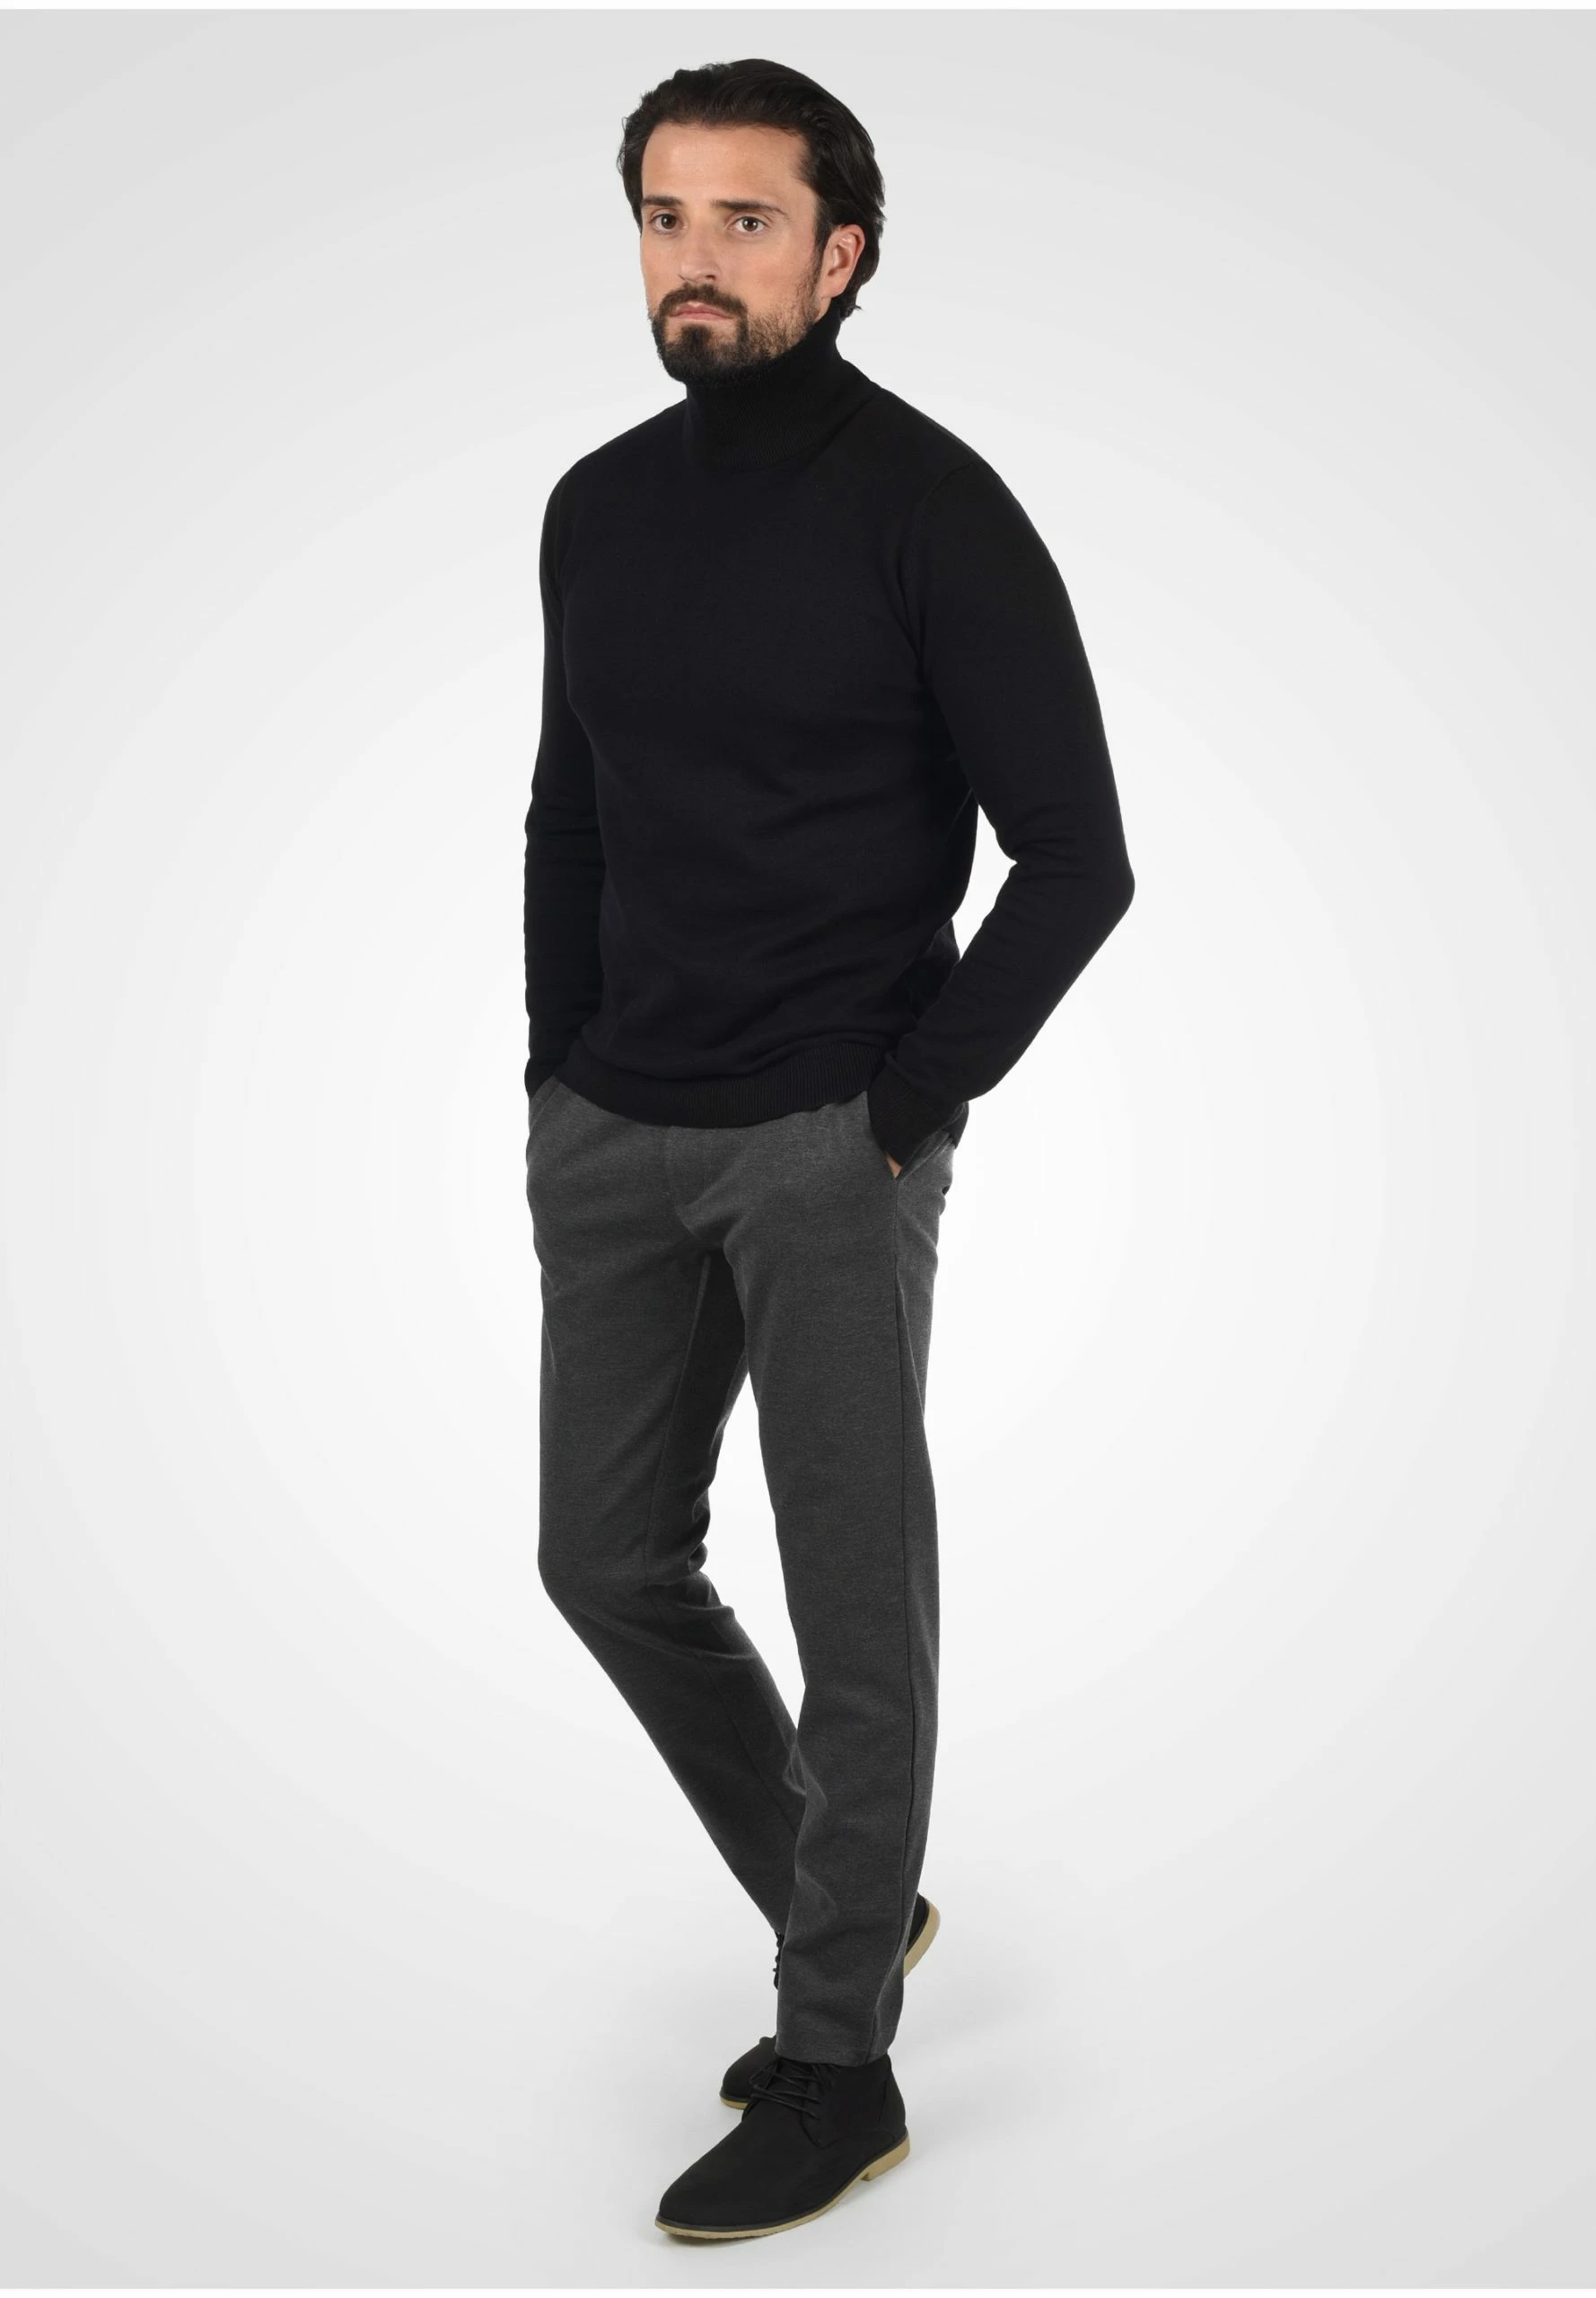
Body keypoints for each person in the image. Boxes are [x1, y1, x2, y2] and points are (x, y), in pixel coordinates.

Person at [523, 57, 1135, 2243]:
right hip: (617, 1123)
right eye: (662, 217)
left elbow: (1075, 858)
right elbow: (572, 809)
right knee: (603, 1558)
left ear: (840, 252)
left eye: (744, 220)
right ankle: (843, 1887)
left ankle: (838, 2061)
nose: (693, 260)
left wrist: (900, 1108)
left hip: (821, 1135)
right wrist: (553, 1072)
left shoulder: (932, 511)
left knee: (853, 1602)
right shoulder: (596, 506)